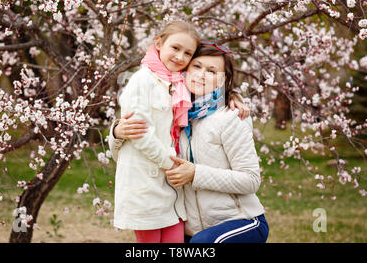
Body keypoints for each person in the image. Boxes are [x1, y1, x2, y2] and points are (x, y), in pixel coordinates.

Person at [111, 42, 268, 243]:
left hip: (241, 220)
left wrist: (195, 173)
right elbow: (139, 145)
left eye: (211, 71)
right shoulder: (175, 113)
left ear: (222, 80)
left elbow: (251, 180)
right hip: (193, 229)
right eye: (196, 66)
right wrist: (117, 132)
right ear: (185, 70)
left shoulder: (231, 117)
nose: (201, 75)